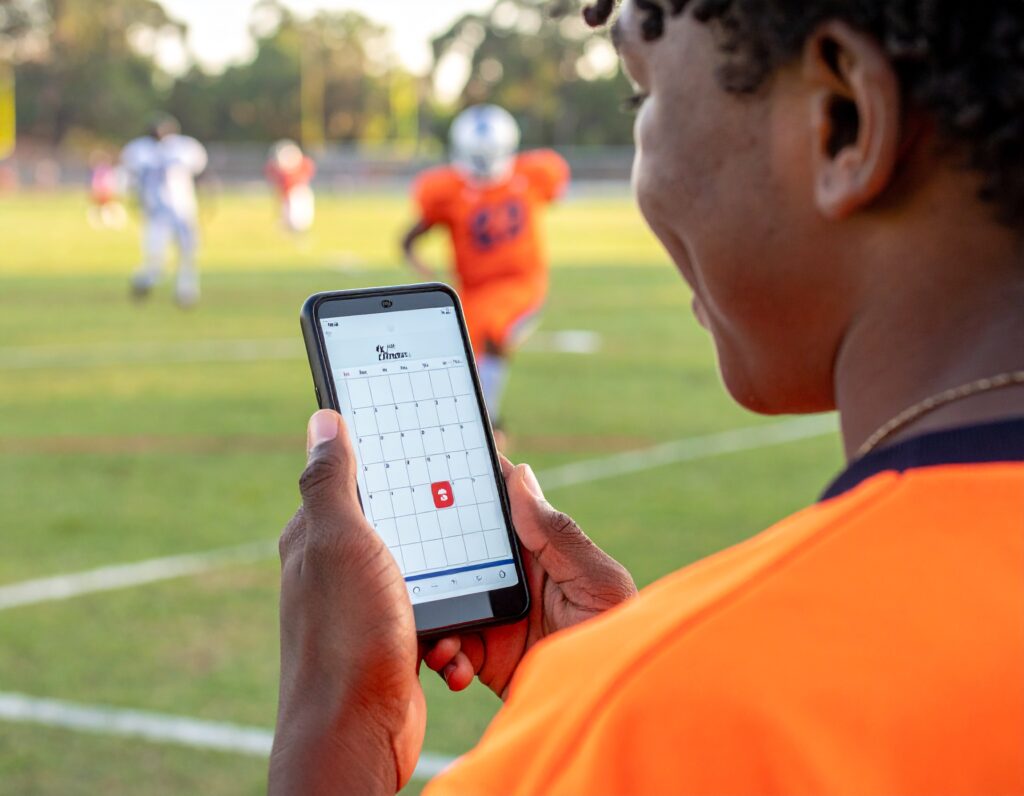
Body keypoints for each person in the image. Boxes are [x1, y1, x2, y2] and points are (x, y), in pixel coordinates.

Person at [270, 0, 1024, 793]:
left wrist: (340, 732)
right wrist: (596, 673)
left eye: (644, 94)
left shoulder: (658, 728)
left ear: (843, 120)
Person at [402, 104, 570, 434]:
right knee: (458, 357)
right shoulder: (448, 190)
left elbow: (556, 190)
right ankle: (469, 422)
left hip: (521, 282)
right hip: (473, 290)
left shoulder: (531, 174)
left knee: (494, 331)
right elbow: (412, 234)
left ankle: (488, 420)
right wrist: (416, 261)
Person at [121, 114, 208, 308]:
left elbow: (200, 173)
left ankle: (186, 292)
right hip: (156, 212)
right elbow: (131, 180)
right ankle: (144, 280)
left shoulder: (185, 148)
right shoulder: (139, 150)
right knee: (156, 258)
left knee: (188, 252)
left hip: (182, 210)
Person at [265, 139, 316, 235]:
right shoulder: (278, 171)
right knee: (288, 216)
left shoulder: (302, 165)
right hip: (288, 194)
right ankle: (292, 231)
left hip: (298, 192)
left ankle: (298, 232)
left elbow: (307, 174)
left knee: (300, 217)